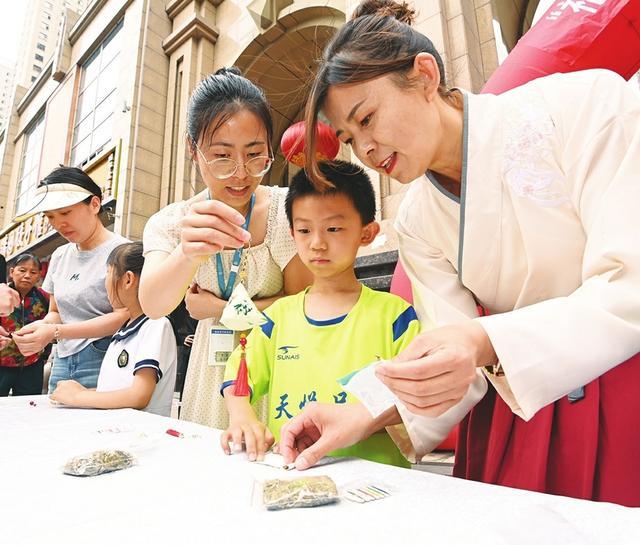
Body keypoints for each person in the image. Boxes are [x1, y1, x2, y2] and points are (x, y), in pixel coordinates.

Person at [280, 0, 640, 506]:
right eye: (349, 138)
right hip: (517, 413)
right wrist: (363, 409)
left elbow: (631, 283)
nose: (365, 148)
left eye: (367, 118)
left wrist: (484, 340)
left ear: (425, 75)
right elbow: (448, 347)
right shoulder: (418, 219)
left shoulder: (585, 105)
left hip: (625, 390)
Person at [141, 67, 312, 428]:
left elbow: (302, 305)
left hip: (280, 366)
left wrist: (218, 307)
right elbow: (154, 304)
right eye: (221, 156)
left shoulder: (287, 211)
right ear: (194, 149)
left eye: (255, 155)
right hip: (211, 372)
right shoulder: (171, 223)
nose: (240, 173)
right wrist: (187, 253)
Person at [220, 160, 420, 467]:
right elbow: (240, 375)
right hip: (293, 473)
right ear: (292, 233)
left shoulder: (396, 318)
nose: (317, 243)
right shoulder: (277, 318)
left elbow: (419, 394)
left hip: (378, 483)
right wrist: (242, 415)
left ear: (367, 233)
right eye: (304, 230)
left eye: (334, 228)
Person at [12, 167, 129, 391]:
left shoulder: (122, 252)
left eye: (65, 213)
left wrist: (55, 333)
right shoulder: (59, 255)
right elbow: (56, 313)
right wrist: (38, 329)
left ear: (94, 204)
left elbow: (123, 316)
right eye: (50, 217)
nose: (58, 224)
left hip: (105, 357)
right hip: (63, 359)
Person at [50, 242, 177, 416]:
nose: (105, 283)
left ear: (128, 279)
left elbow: (138, 396)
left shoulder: (155, 324)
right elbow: (116, 389)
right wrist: (83, 393)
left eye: (108, 274)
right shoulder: (126, 330)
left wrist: (78, 396)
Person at [0, 254, 50, 396]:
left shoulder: (43, 298)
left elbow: (49, 324)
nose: (27, 276)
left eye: (33, 272)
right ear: (11, 272)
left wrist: (44, 354)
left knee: (29, 405)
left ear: (39, 276)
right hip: (2, 361)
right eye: (22, 270)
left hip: (32, 363)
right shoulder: (2, 295)